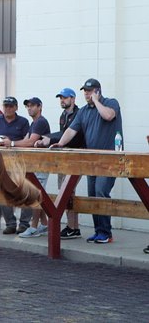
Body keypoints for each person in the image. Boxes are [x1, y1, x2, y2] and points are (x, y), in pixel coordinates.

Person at [51, 78, 123, 244]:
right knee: (92, 196)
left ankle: (106, 232)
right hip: (92, 160)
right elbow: (71, 130)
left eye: (90, 91)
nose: (87, 94)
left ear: (98, 91)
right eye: (85, 91)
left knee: (101, 192)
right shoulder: (83, 111)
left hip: (109, 159)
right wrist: (61, 143)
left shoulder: (111, 103)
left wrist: (97, 101)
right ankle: (99, 231)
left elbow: (108, 116)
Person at [35, 88, 85, 239]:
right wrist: (49, 139)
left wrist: (48, 138)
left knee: (67, 191)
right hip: (65, 157)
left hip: (76, 156)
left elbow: (73, 136)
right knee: (67, 191)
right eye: (60, 98)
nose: (62, 100)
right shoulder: (63, 115)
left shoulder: (79, 114)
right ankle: (73, 228)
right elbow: (63, 134)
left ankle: (72, 227)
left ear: (73, 99)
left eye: (65, 98)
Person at [4, 97, 50, 238]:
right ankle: (44, 224)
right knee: (38, 193)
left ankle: (34, 227)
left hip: (41, 164)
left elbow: (30, 142)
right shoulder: (34, 123)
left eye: (32, 106)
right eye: (27, 106)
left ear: (39, 106)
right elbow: (25, 140)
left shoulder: (41, 121)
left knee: (36, 194)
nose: (29, 108)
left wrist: (10, 143)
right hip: (35, 164)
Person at [0, 96, 30, 234]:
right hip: (1, 160)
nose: (8, 108)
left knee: (25, 191)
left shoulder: (23, 122)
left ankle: (24, 224)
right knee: (4, 191)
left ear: (16, 107)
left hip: (19, 160)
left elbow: (26, 141)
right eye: (6, 106)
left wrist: (11, 142)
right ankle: (10, 223)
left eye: (11, 106)